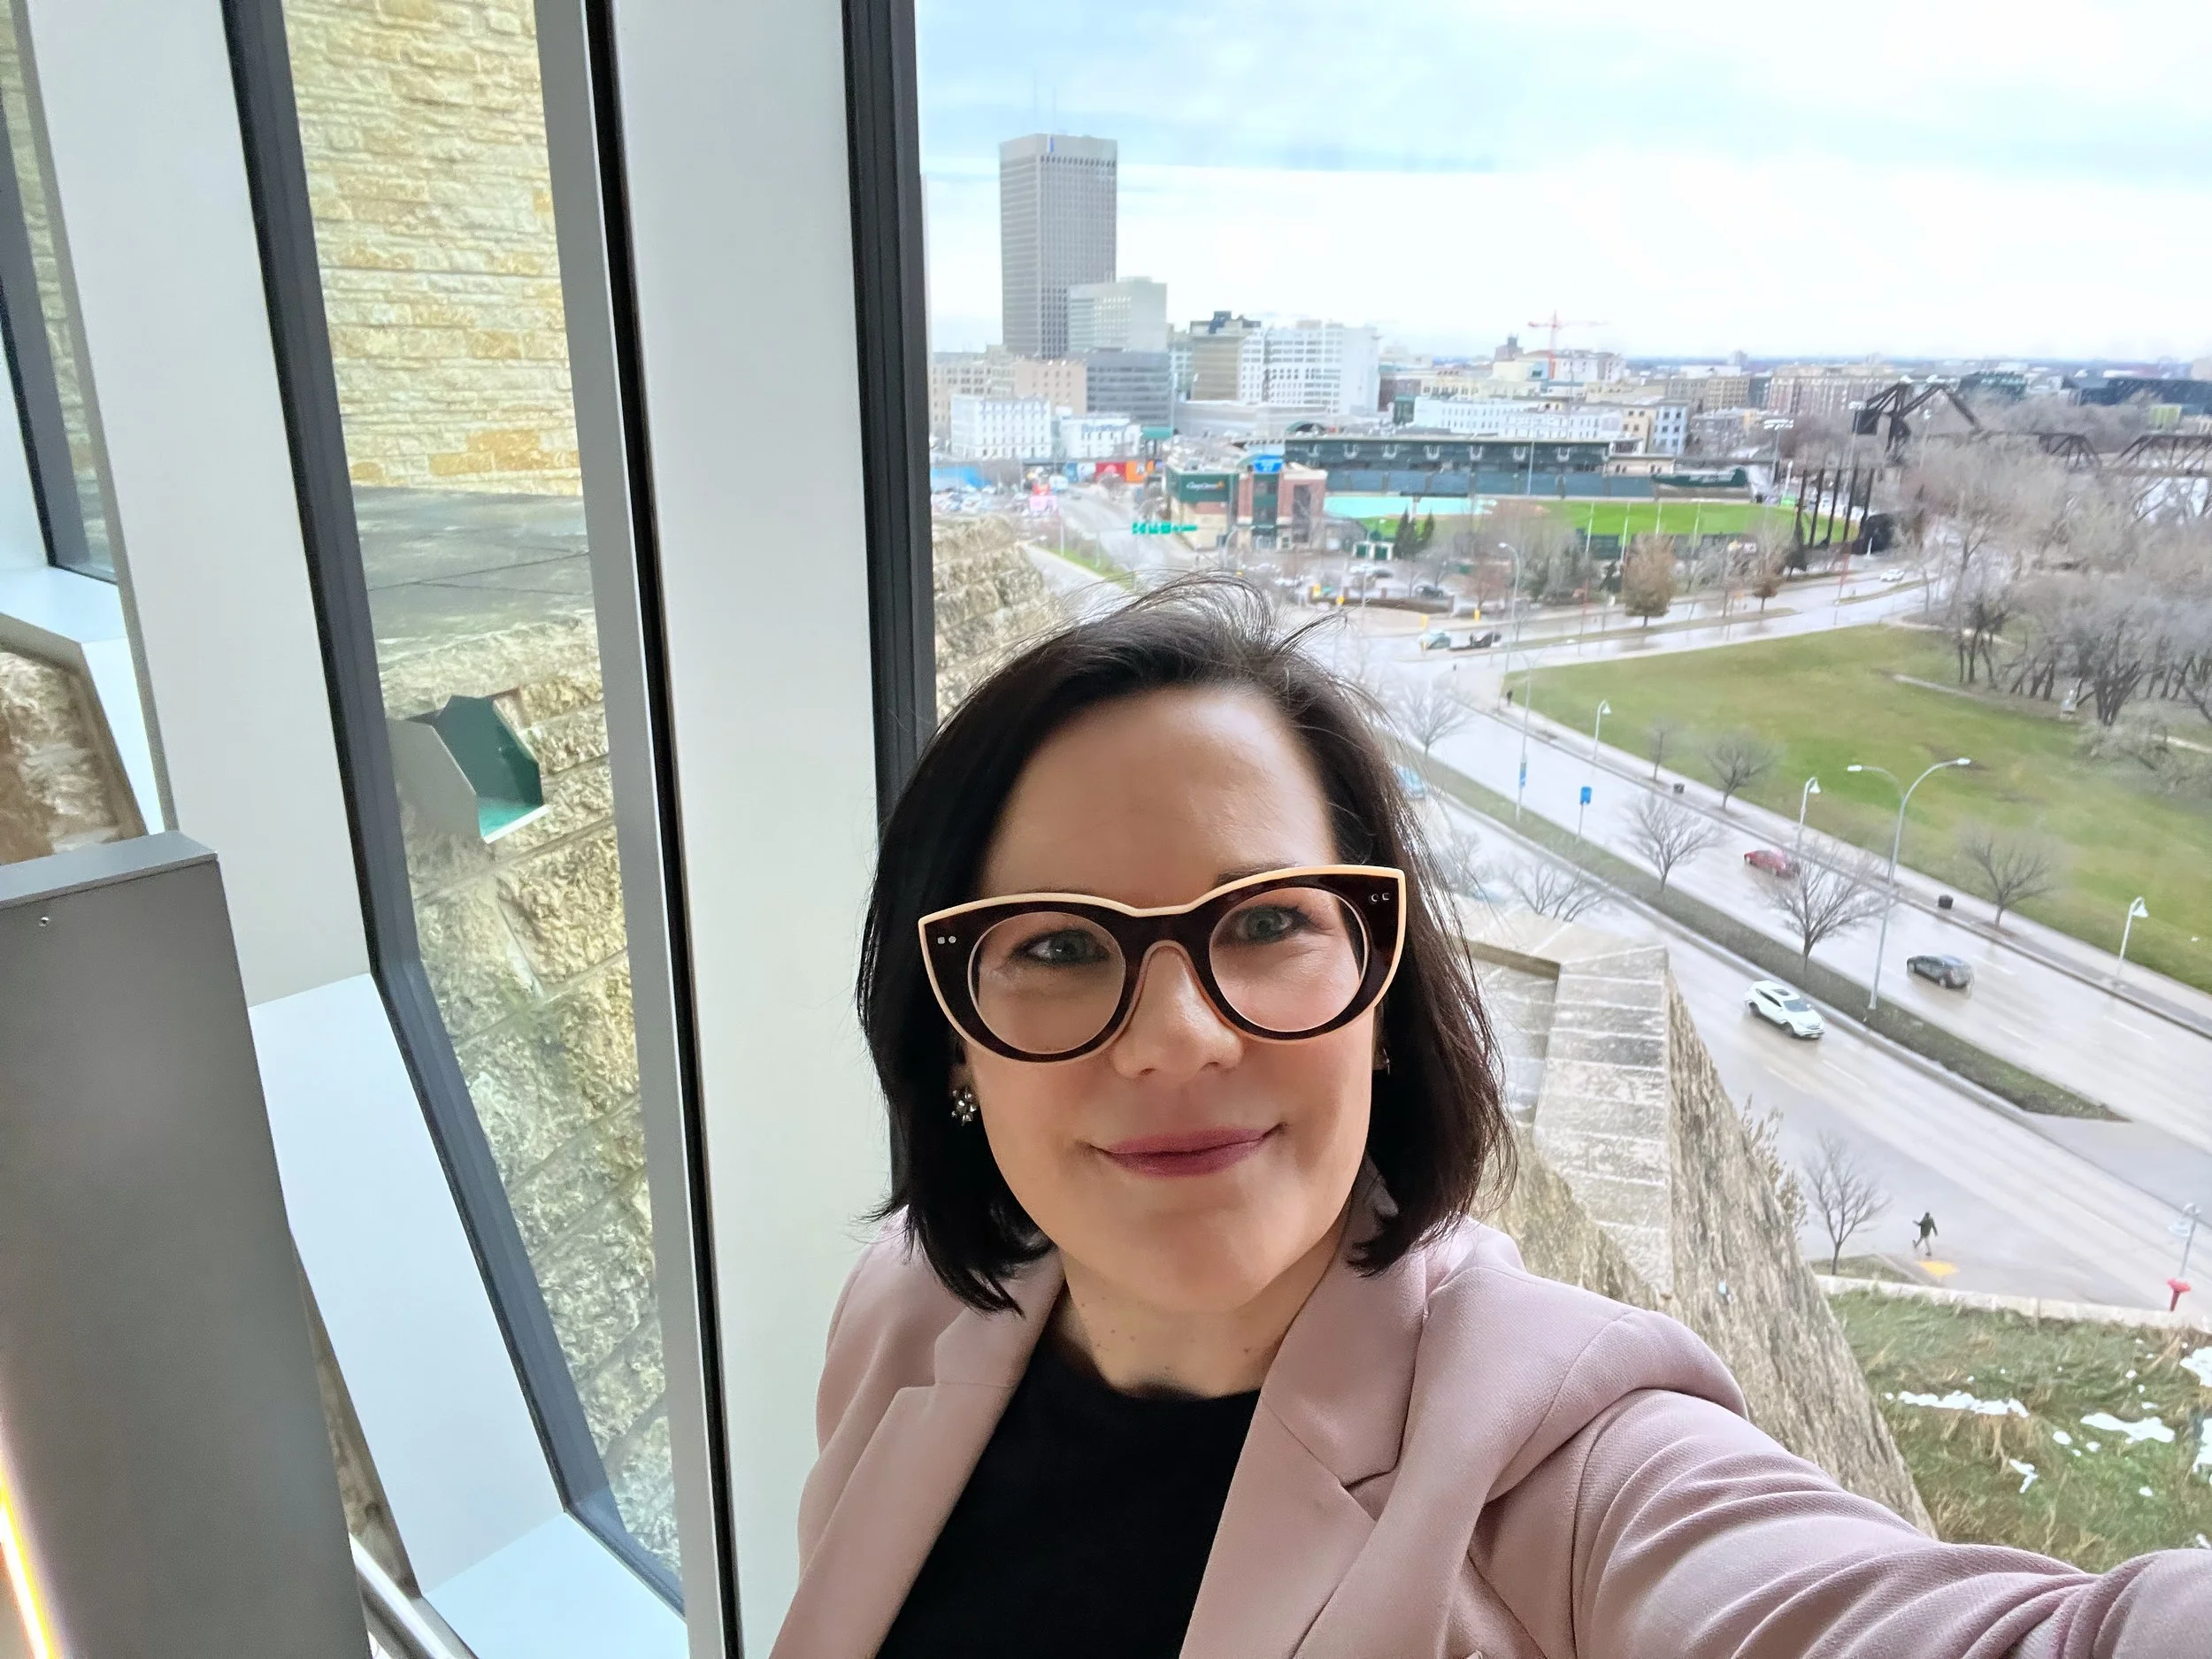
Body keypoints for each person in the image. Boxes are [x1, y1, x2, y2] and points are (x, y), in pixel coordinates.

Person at [772, 582, 2211, 1658]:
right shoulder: (903, 1314)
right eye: (1059, 945)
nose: (1177, 1038)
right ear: (953, 1033)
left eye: (1269, 920)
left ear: (1381, 996)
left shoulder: (1563, 1483)